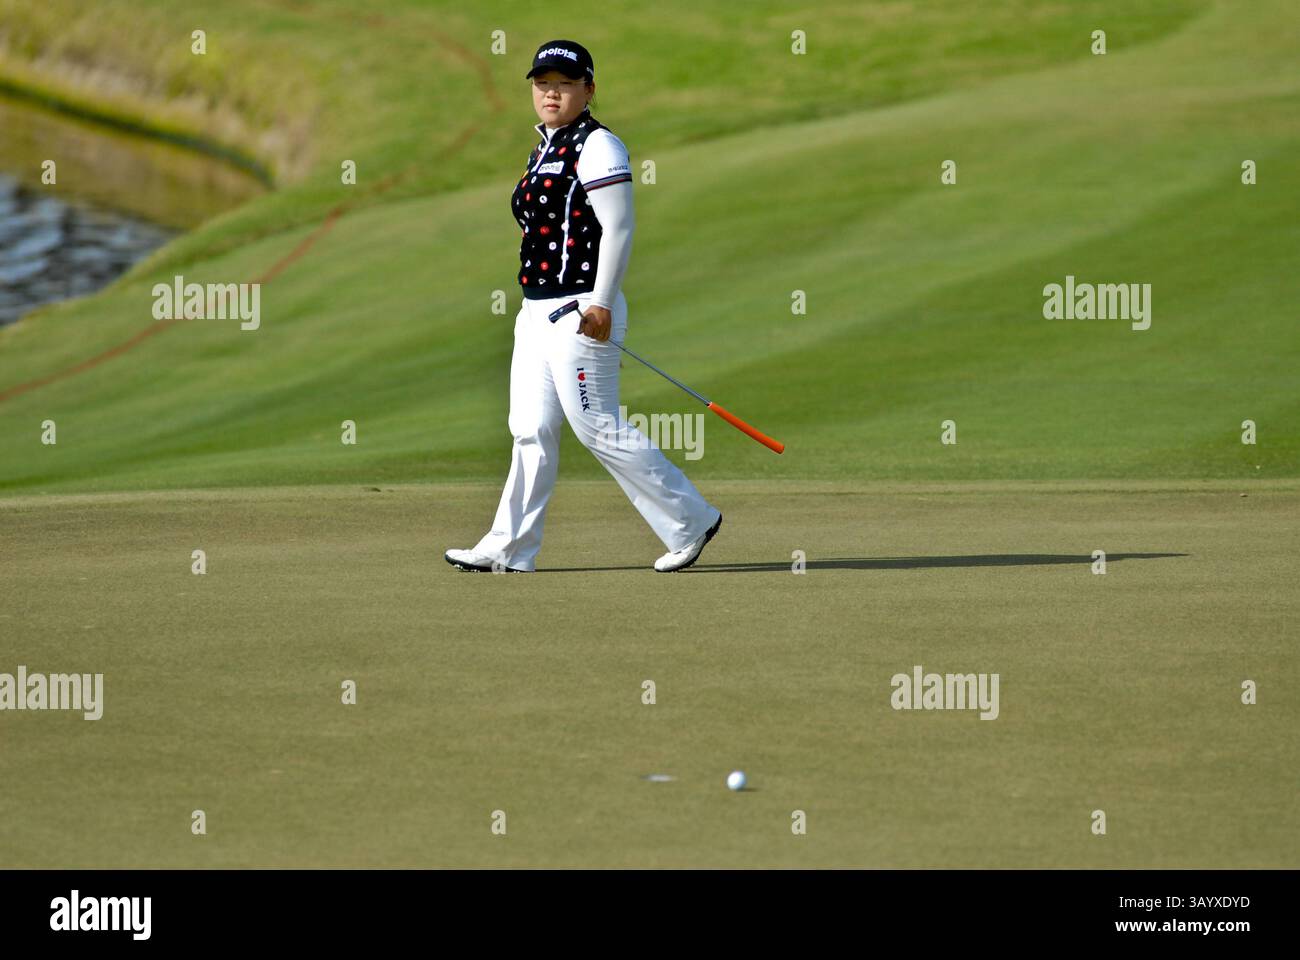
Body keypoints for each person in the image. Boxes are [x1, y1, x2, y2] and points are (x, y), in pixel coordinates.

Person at [445, 39, 722, 574]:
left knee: (595, 424)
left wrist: (600, 304)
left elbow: (618, 228)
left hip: (579, 308)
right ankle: (508, 549)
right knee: (529, 428)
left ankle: (691, 519)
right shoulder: (544, 147)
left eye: (565, 84)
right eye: (543, 83)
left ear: (588, 89)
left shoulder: (598, 146)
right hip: (534, 310)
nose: (552, 93)